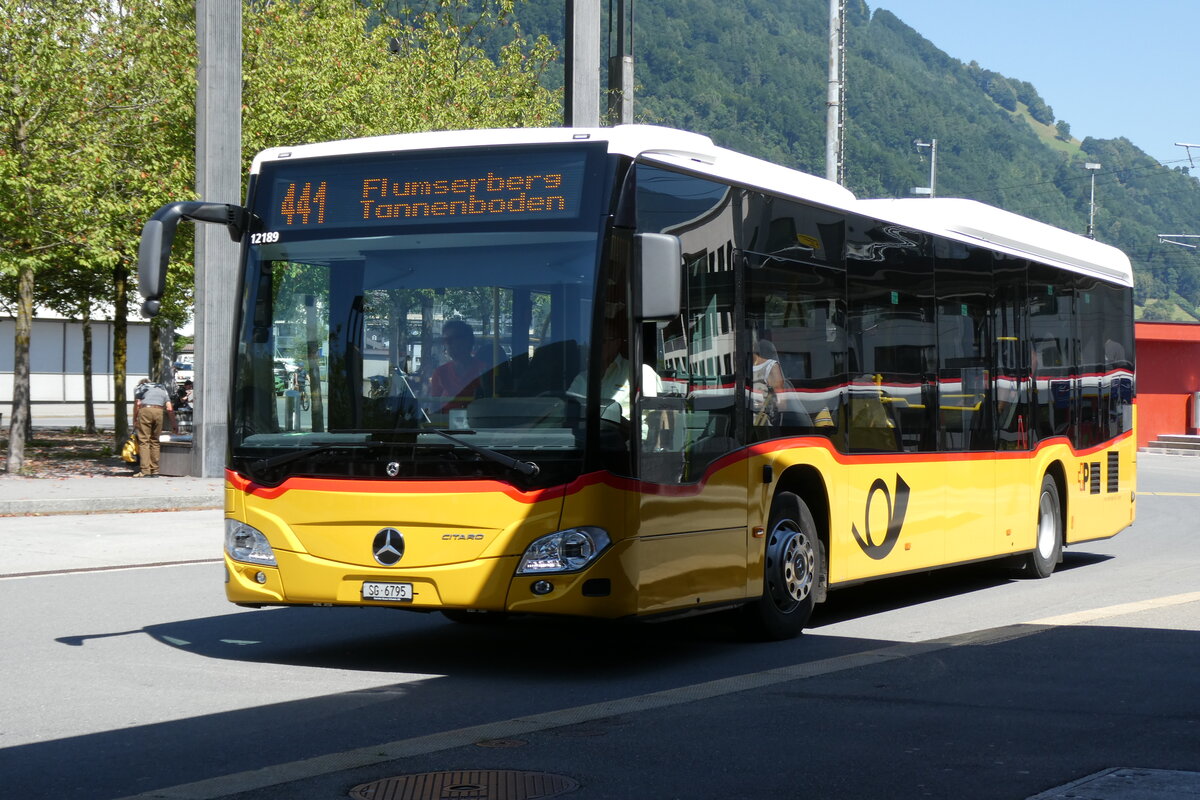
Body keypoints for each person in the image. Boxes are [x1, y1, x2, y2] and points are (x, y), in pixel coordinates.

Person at [429, 320, 488, 410]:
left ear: (467, 341)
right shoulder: (440, 373)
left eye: (452, 339)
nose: (448, 344)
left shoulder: (485, 371)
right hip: (445, 423)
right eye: (445, 340)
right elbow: (434, 409)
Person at [132, 378, 174, 477]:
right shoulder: (161, 387)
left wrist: (135, 418)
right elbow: (169, 407)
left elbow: (138, 404)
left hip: (145, 410)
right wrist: (174, 424)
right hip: (159, 411)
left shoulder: (140, 387)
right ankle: (155, 471)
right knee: (155, 441)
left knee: (144, 441)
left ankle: (145, 471)